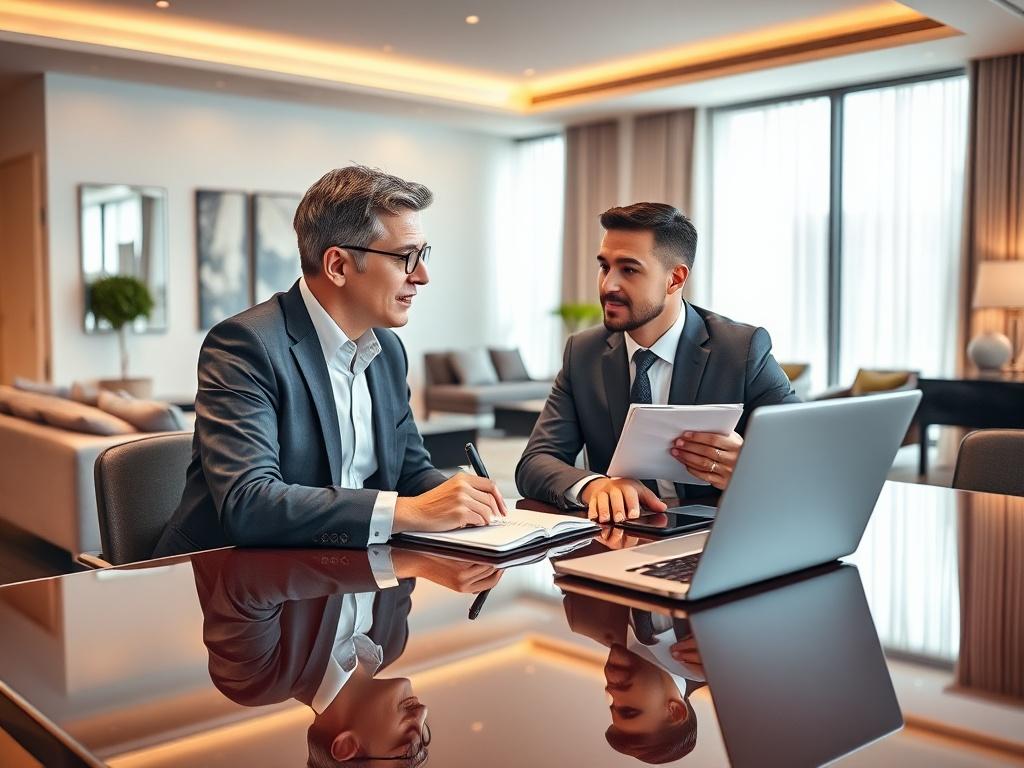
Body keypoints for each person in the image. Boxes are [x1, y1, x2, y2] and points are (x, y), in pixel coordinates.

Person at [154, 166, 505, 557]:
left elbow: (409, 473)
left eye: (422, 254)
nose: (422, 276)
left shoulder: (388, 351)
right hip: (231, 582)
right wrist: (407, 511)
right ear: (338, 266)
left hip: (343, 574)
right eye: (405, 257)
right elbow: (249, 503)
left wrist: (456, 497)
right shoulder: (244, 346)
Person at [515, 202, 798, 523]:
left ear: (675, 279)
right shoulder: (582, 353)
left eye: (629, 269)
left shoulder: (741, 350)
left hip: (716, 537)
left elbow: (805, 453)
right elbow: (535, 462)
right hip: (618, 539)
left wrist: (753, 467)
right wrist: (593, 486)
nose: (608, 285)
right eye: (604, 267)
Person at [193, 547, 502, 766]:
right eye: (425, 736)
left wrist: (406, 564)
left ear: (347, 747)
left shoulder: (257, 679)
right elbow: (404, 538)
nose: (421, 716)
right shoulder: (392, 639)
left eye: (406, 748)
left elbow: (247, 578)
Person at [562, 589, 706, 764]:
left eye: (612, 704)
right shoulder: (730, 651)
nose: (611, 692)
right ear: (674, 711)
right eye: (628, 711)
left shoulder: (582, 615)